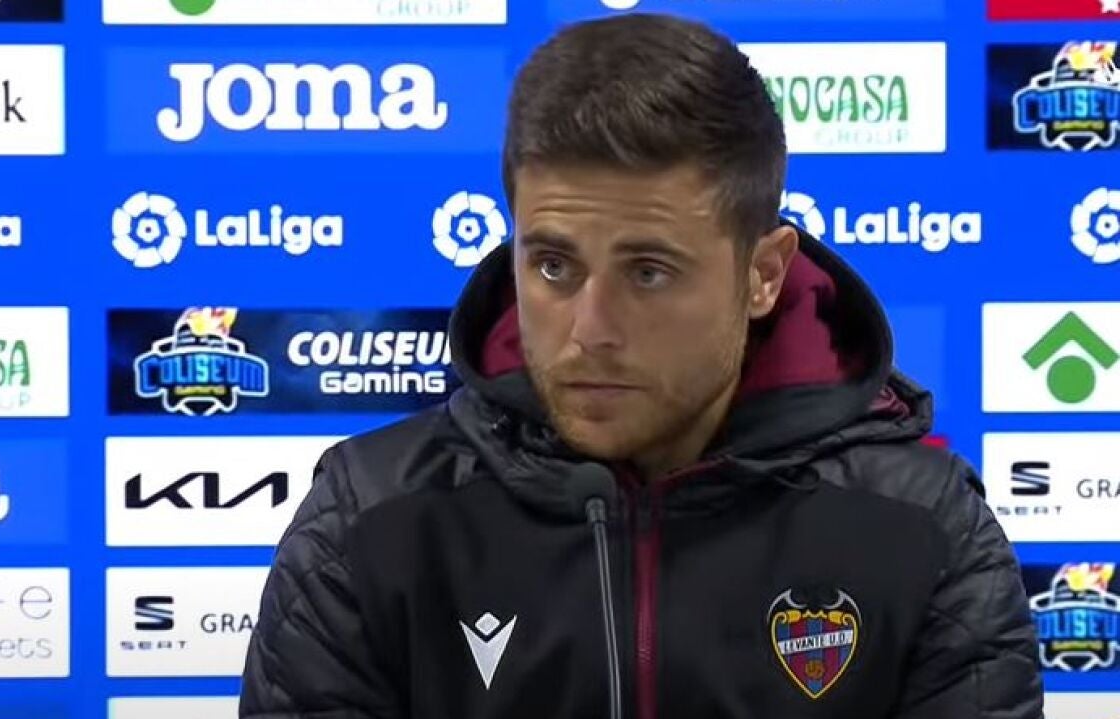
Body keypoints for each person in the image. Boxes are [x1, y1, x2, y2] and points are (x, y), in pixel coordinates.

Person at [239, 12, 1044, 719]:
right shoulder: (369, 520)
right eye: (553, 265)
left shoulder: (925, 531)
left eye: (649, 272)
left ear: (763, 273)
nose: (590, 329)